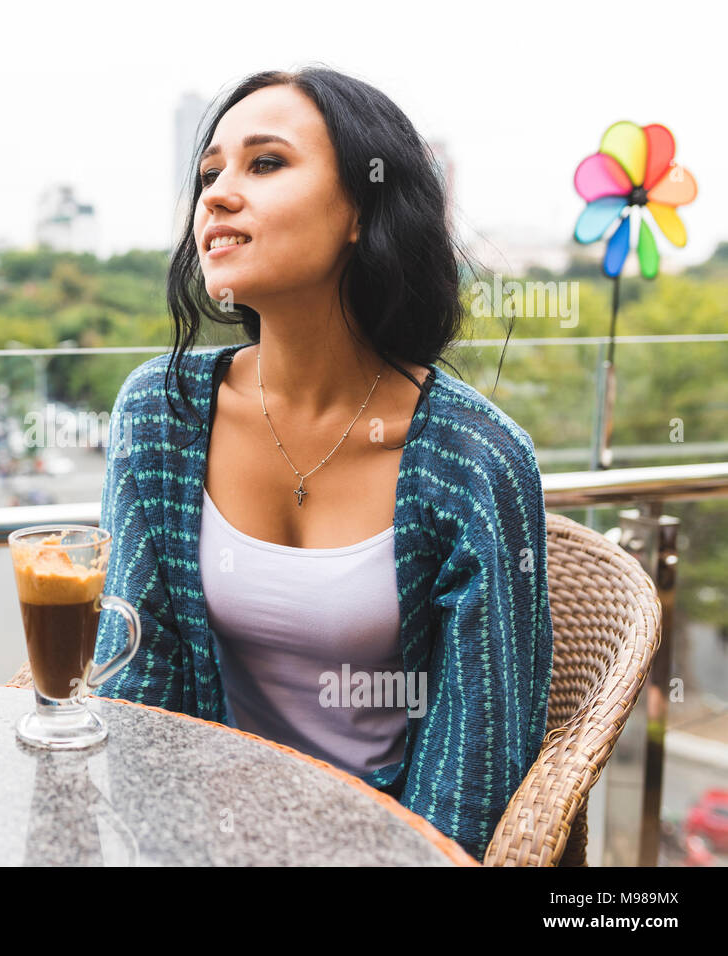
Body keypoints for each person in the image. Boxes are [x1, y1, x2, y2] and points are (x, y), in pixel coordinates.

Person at [93, 67, 553, 862]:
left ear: (361, 211)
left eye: (264, 163)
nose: (218, 195)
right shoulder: (159, 414)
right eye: (210, 174)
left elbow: (475, 774)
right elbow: (135, 684)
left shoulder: (475, 461)